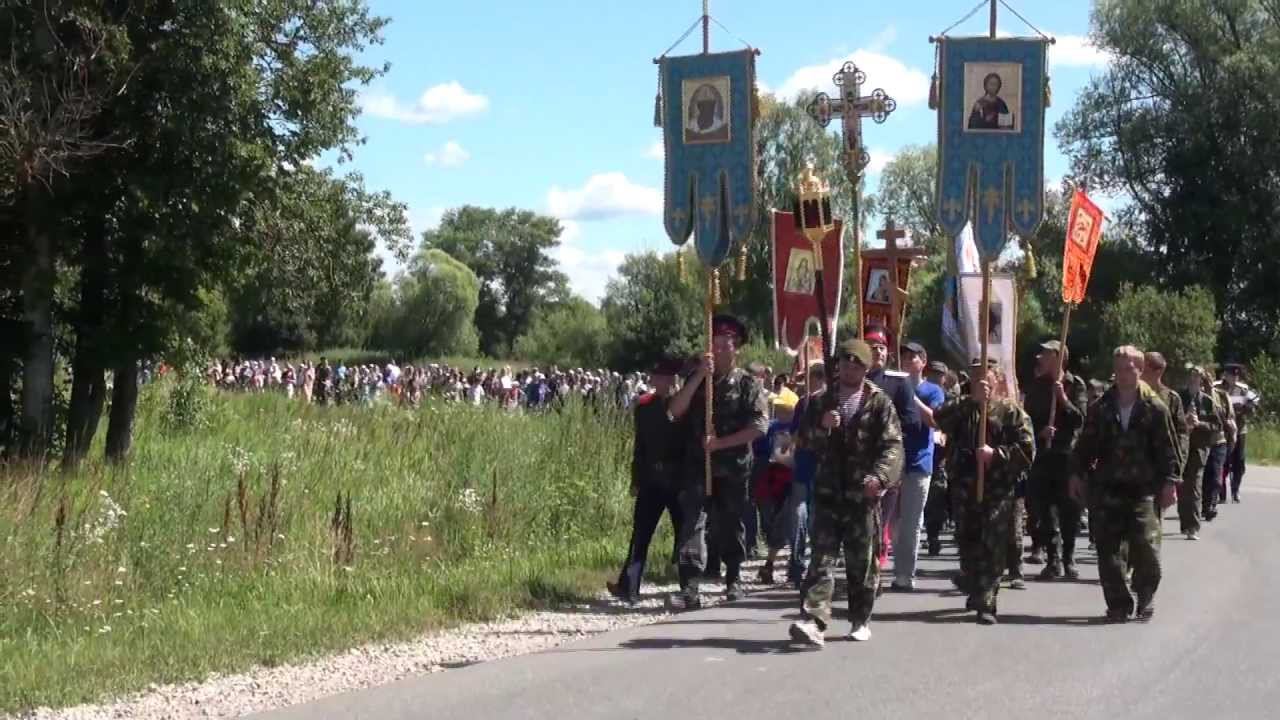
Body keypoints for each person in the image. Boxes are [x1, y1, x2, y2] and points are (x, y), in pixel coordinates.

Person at [788, 339, 903, 647]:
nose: (851, 368)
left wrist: (879, 478)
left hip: (862, 496)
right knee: (822, 560)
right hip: (828, 492)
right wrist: (822, 427)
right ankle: (813, 620)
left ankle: (860, 617)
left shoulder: (879, 403)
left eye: (858, 364)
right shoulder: (819, 400)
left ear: (867, 369)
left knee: (860, 563)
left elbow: (892, 446)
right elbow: (803, 441)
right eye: (846, 362)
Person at [667, 315, 769, 608]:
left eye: (727, 346)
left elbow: (759, 427)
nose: (721, 351)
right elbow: (674, 411)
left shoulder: (747, 384)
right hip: (698, 467)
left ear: (736, 349)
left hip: (733, 467)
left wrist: (720, 444)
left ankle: (733, 578)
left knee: (731, 523)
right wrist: (700, 375)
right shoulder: (697, 379)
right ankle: (690, 586)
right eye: (716, 345)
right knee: (693, 523)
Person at [1072, 346, 1179, 623]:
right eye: (1118, 368)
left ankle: (1145, 595)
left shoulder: (1154, 407)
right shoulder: (1101, 407)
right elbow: (1086, 446)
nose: (1121, 374)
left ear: (1140, 370)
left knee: (1147, 548)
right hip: (1108, 488)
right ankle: (1118, 604)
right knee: (1109, 552)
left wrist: (1170, 483)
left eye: (1128, 368)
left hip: (1143, 489)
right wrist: (1077, 474)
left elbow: (1168, 449)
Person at [935, 361, 1035, 624]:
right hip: (964, 487)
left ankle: (987, 602)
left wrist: (996, 455)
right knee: (968, 542)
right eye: (977, 377)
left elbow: (1026, 450)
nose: (982, 382)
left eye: (987, 377)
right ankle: (973, 583)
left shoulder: (1010, 411)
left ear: (998, 380)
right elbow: (939, 418)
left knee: (993, 545)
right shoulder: (962, 406)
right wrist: (970, 401)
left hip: (997, 489)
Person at [607, 357, 687, 605]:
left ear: (672, 379)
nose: (656, 381)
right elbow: (640, 447)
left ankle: (688, 587)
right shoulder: (644, 406)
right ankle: (629, 587)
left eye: (661, 377)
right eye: (655, 377)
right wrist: (636, 478)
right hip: (652, 478)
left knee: (684, 535)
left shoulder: (685, 407)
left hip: (679, 479)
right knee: (641, 534)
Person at [1023, 340, 1089, 581]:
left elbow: (1080, 419)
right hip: (1043, 456)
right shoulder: (1037, 386)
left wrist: (1062, 398)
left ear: (1059, 357)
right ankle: (1053, 560)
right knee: (1045, 511)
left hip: (1068, 456)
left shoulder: (1075, 385)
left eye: (1047, 354)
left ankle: (1069, 558)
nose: (1041, 358)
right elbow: (1026, 419)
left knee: (1070, 511)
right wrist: (1040, 431)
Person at [890, 341, 946, 591]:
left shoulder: (933, 390)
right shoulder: (893, 386)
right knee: (891, 522)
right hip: (892, 461)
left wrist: (911, 397)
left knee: (911, 522)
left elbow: (935, 421)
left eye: (914, 356)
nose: (908, 359)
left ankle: (904, 575)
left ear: (923, 362)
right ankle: (883, 566)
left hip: (918, 462)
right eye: (904, 356)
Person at [863, 327, 919, 570]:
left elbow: (912, 422)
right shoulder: (851, 379)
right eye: (872, 346)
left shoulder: (898, 382)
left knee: (879, 520)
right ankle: (861, 567)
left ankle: (874, 566)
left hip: (885, 463)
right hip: (856, 462)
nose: (878, 352)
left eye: (882, 347)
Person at [755, 389, 799, 585]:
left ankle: (788, 565)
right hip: (770, 479)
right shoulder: (771, 427)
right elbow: (760, 449)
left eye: (786, 408)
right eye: (779, 408)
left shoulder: (799, 428)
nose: (781, 412)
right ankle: (770, 562)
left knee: (788, 522)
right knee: (769, 521)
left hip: (792, 481)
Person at [1181, 367, 1223, 539]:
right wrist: (1184, 420)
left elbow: (1217, 426)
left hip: (1199, 447)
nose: (1193, 379)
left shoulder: (1207, 401)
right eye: (1191, 376)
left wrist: (1200, 424)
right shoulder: (1178, 398)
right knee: (1182, 486)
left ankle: (1192, 527)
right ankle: (1185, 522)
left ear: (1201, 380)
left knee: (1194, 485)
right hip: (1180, 446)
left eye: (1197, 377)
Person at [1215, 363, 1260, 503]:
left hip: (1239, 430)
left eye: (1236, 375)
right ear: (1225, 375)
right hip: (1222, 430)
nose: (1234, 378)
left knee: (1239, 462)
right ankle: (1221, 492)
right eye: (1231, 375)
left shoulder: (1243, 390)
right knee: (1223, 462)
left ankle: (1236, 490)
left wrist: (1247, 408)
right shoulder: (1216, 388)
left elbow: (1253, 407)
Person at [923, 360, 954, 556]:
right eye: (932, 373)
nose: (936, 377)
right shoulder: (921, 395)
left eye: (939, 374)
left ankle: (933, 536)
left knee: (937, 497)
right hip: (925, 452)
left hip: (943, 457)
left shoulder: (951, 399)